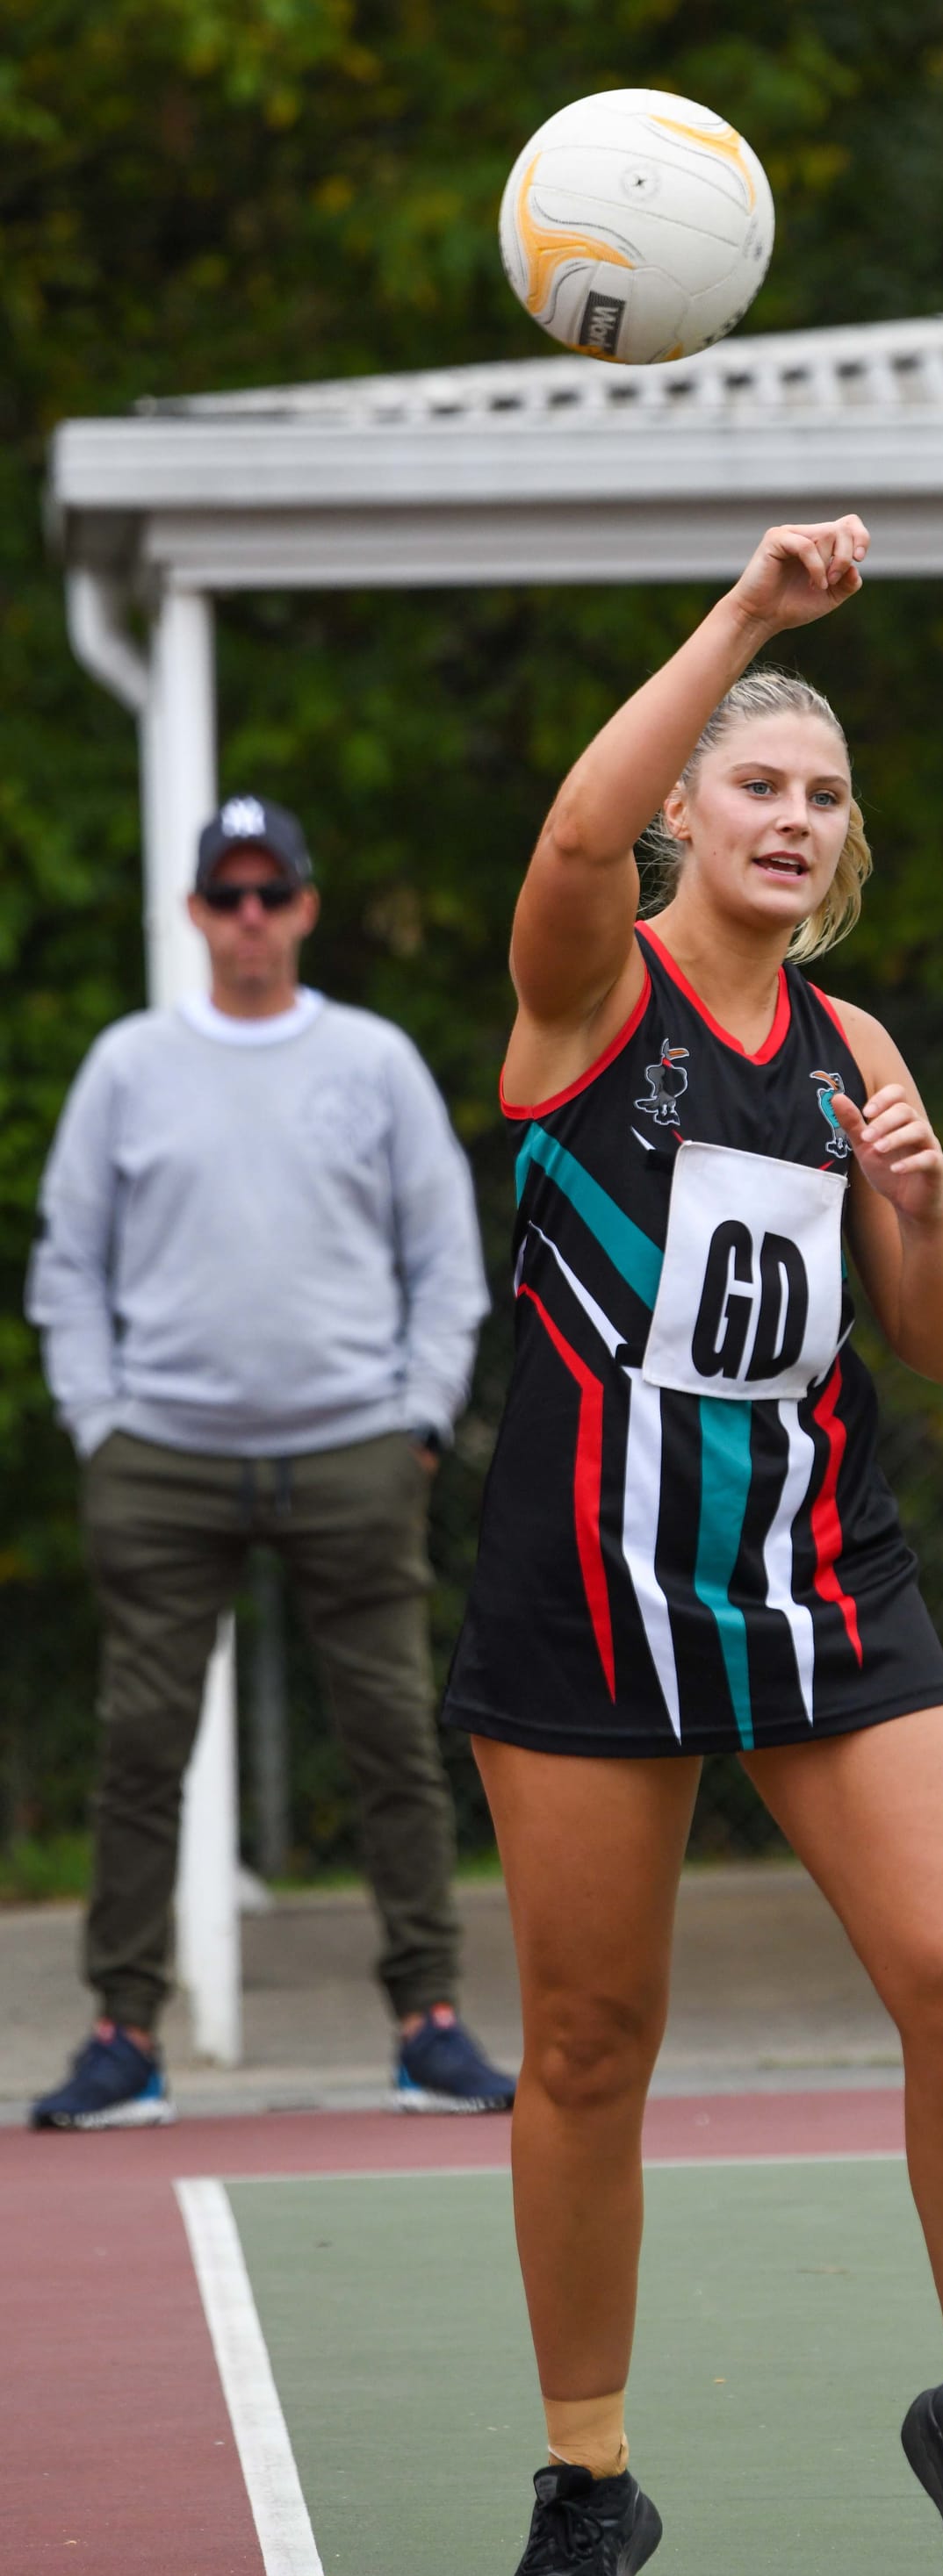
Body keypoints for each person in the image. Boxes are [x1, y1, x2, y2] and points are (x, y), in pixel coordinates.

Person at [442, 517, 943, 2576]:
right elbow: (559, 834)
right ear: (682, 821)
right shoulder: (585, 995)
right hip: (592, 1601)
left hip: (820, 1588)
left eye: (822, 796)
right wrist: (749, 617)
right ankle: (585, 2478)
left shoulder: (851, 1050)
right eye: (756, 784)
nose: (792, 818)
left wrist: (926, 1210)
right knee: (591, 2046)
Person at [25, 793, 513, 2128]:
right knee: (140, 1750)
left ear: (302, 907)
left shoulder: (374, 1059)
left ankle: (430, 2024)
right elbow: (69, 1264)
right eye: (225, 897)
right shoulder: (130, 1065)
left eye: (271, 894)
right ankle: (125, 2033)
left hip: (353, 1452)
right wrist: (98, 1422)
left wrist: (420, 1416)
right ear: (195, 913)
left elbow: (444, 1263)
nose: (249, 920)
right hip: (163, 1460)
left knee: (395, 1745)